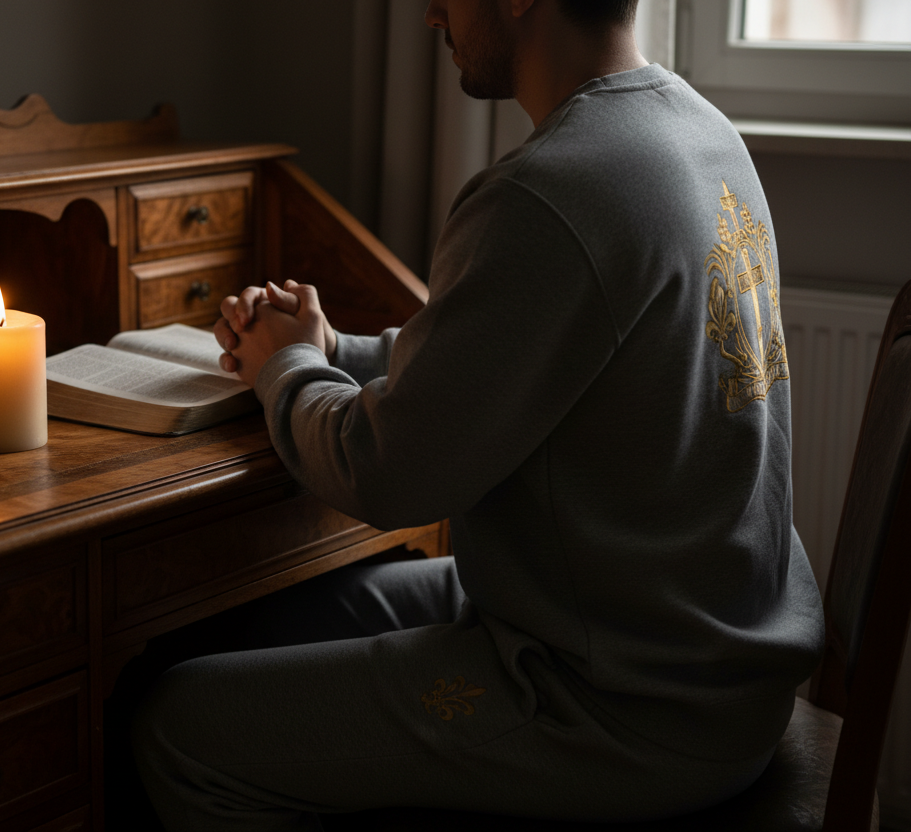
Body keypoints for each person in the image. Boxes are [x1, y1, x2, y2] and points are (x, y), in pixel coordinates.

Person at [131, 0, 825, 829]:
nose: (431, 15)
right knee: (268, 620)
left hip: (614, 712)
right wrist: (330, 349)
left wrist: (285, 368)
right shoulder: (697, 131)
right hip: (705, 668)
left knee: (179, 722)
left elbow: (383, 470)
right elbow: (512, 346)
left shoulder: (551, 188)